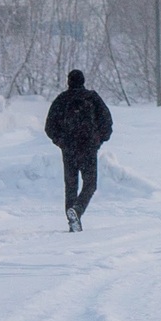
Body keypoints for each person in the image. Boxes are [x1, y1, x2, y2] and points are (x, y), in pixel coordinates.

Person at [44, 69, 113, 232]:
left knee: (71, 185)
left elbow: (49, 127)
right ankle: (78, 210)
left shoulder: (62, 100)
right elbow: (107, 121)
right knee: (90, 184)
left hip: (68, 149)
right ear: (83, 81)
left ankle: (72, 221)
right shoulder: (92, 98)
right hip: (88, 148)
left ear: (68, 82)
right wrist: (99, 140)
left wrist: (61, 141)